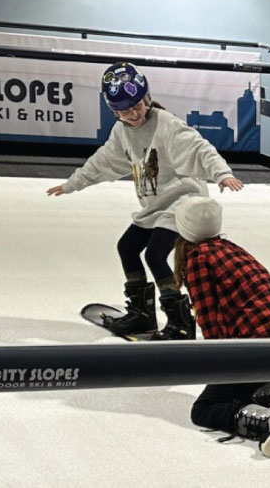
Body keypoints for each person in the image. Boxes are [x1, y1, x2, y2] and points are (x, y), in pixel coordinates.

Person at [47, 62, 244, 340]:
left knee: (154, 254)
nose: (133, 113)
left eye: (137, 105)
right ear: (114, 111)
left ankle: (181, 322)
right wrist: (72, 184)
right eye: (125, 110)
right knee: (127, 247)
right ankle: (142, 315)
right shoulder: (121, 132)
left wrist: (222, 174)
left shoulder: (167, 125)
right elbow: (102, 162)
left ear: (146, 98)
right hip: (155, 206)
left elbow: (200, 148)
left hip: (181, 204)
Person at [174, 196, 270, 458]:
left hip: (263, 348)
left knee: (205, 408)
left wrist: (221, 374)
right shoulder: (232, 248)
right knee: (241, 386)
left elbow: (212, 325)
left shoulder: (198, 259)